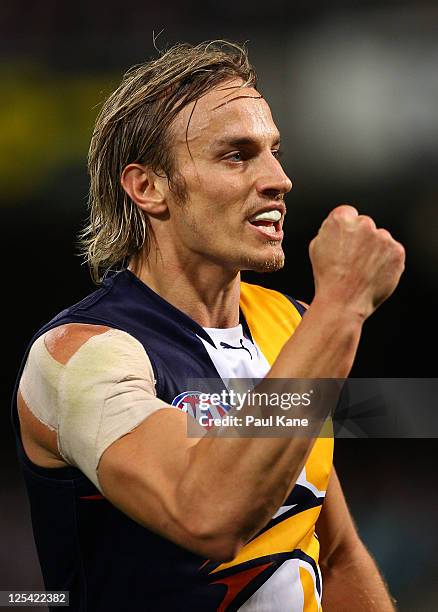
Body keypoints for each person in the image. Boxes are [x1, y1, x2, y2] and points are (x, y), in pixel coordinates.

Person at [12, 41, 404, 611]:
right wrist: (341, 305)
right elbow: (207, 516)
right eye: (237, 155)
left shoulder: (290, 327)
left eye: (274, 150)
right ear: (148, 187)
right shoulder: (79, 356)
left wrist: (323, 322)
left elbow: (334, 548)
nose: (280, 179)